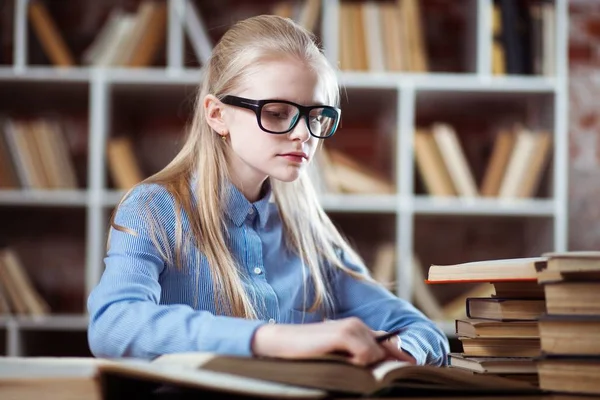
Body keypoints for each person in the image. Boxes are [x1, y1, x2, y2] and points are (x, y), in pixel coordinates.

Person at [87, 14, 449, 367]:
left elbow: (425, 333)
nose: (303, 134)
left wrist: (390, 351)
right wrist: (274, 340)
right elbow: (113, 326)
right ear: (217, 115)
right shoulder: (154, 209)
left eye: (316, 115)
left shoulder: (308, 233)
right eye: (277, 113)